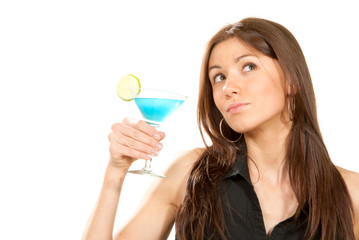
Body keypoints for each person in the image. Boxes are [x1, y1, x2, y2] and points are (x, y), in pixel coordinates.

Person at [82, 17, 359, 240]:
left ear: (291, 82)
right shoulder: (190, 173)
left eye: (248, 66)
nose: (228, 88)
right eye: (219, 77)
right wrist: (115, 174)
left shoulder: (350, 193)